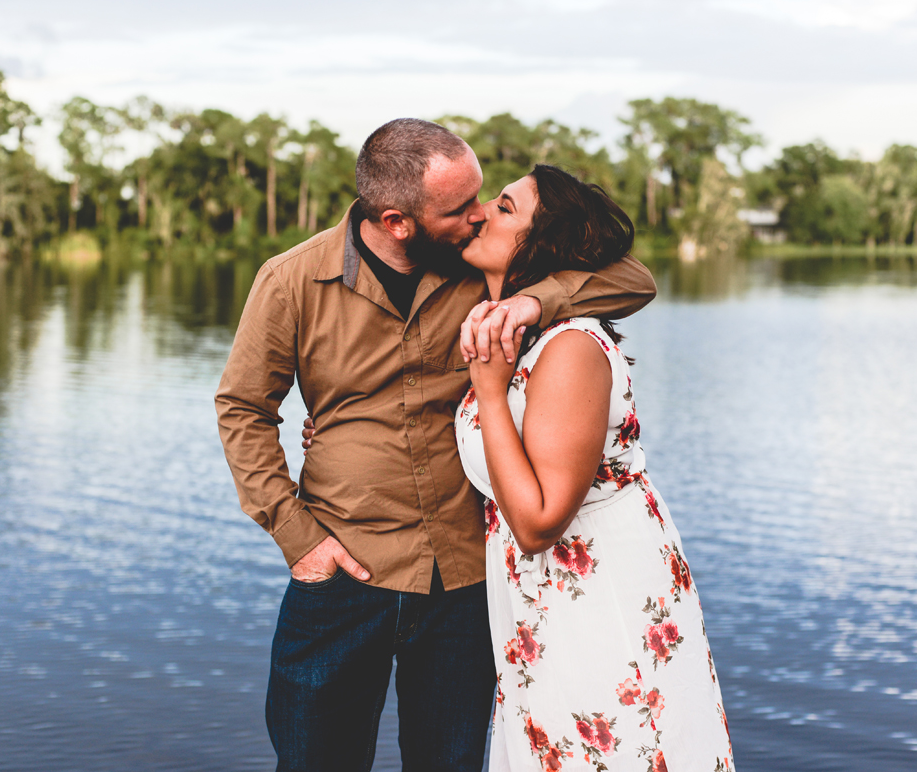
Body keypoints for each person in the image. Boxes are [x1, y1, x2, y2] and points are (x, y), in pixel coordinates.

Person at [214, 119, 656, 772]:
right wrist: (297, 536)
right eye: (459, 208)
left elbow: (635, 280)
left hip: (464, 576)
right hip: (342, 572)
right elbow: (244, 407)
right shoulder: (290, 281)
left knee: (447, 762)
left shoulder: (481, 264)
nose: (478, 216)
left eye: (482, 198)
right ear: (397, 221)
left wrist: (536, 301)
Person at [454, 165, 735, 771]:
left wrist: (490, 392)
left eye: (504, 207)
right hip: (538, 600)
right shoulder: (506, 327)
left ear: (539, 243)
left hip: (595, 589)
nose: (481, 210)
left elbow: (538, 522)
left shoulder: (569, 348)